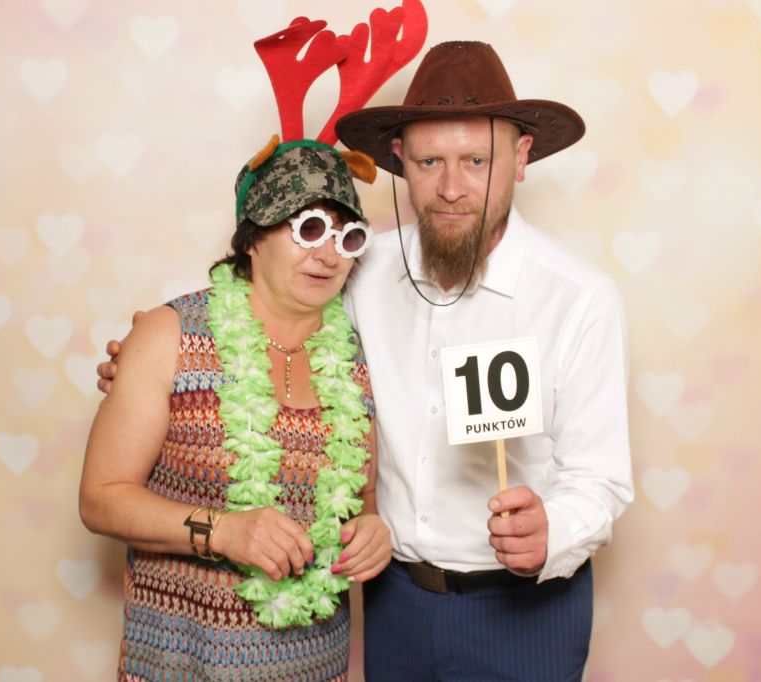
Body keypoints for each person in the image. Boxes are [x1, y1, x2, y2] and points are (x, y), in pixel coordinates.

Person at [100, 41, 633, 681]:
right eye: (430, 161)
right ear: (400, 160)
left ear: (520, 158)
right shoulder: (360, 264)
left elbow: (601, 480)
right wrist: (152, 362)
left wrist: (556, 530)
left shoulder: (579, 297)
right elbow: (268, 312)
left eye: (476, 160)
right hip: (395, 603)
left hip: (524, 610)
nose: (452, 187)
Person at [79, 138, 392, 682]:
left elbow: (362, 500)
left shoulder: (360, 360)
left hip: (318, 667)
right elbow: (100, 499)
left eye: (348, 238)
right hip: (181, 665)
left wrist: (371, 530)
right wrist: (221, 532)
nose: (329, 255)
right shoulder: (171, 336)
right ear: (252, 237)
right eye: (309, 229)